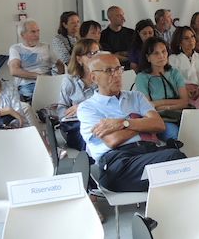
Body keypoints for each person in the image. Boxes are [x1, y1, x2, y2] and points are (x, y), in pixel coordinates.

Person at [78, 53, 185, 192]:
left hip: (149, 152)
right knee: (175, 160)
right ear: (94, 77)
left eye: (118, 69)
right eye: (109, 71)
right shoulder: (88, 108)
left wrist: (123, 123)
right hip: (119, 164)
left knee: (184, 166)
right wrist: (143, 123)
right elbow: (113, 140)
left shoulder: (136, 97)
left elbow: (159, 125)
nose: (116, 75)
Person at [134, 37, 189, 140]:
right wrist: (174, 104)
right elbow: (148, 107)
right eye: (156, 53)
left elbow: (185, 102)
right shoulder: (142, 77)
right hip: (159, 119)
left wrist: (162, 105)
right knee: (176, 134)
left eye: (164, 51)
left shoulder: (174, 73)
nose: (161, 56)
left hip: (181, 114)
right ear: (148, 57)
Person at [58, 38, 100, 150]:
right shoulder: (70, 80)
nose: (95, 57)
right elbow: (61, 110)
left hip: (101, 121)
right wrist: (75, 113)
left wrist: (83, 107)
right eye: (90, 54)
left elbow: (111, 102)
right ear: (79, 59)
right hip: (79, 126)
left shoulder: (103, 76)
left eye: (97, 53)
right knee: (91, 140)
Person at [8, 18, 56, 99]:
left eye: (38, 31)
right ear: (23, 35)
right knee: (40, 96)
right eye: (33, 32)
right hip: (27, 84)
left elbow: (58, 65)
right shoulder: (15, 48)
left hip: (48, 82)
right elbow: (14, 71)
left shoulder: (46, 47)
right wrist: (39, 77)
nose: (37, 34)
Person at [169, 25, 199, 108]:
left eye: (192, 37)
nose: (191, 40)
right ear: (179, 42)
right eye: (186, 38)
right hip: (180, 92)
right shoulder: (172, 59)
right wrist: (185, 89)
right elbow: (172, 79)